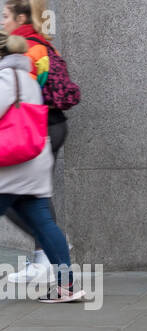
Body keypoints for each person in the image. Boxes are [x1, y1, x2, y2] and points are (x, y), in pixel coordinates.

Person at [0, 30, 83, 302]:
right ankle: (66, 286)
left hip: (11, 166)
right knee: (46, 226)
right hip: (33, 163)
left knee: (44, 225)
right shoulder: (28, 78)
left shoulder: (5, 79)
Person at [2, 0, 67, 288]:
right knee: (37, 210)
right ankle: (61, 276)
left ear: (20, 19)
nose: (2, 22)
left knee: (32, 208)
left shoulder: (24, 57)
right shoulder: (34, 55)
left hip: (30, 138)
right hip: (36, 138)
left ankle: (44, 260)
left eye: (5, 16)